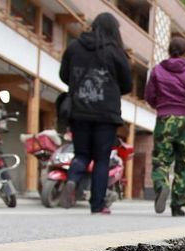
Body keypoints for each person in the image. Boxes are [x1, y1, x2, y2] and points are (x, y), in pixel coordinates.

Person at [59, 12, 132, 214]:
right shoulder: (116, 52)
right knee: (101, 159)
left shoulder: (74, 46)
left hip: (79, 110)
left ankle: (72, 180)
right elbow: (127, 84)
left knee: (81, 154)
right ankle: (97, 205)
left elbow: (64, 75)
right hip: (106, 115)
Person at [145, 35, 185, 217]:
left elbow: (149, 95)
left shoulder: (157, 70)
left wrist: (161, 106)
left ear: (168, 50)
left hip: (164, 119)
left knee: (161, 159)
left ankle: (161, 186)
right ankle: (177, 205)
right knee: (184, 162)